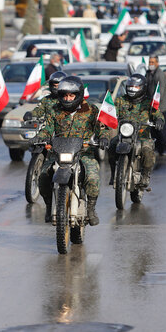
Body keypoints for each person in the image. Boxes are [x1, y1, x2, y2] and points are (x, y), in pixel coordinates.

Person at [35, 76, 109, 225]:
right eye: (65, 95)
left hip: (84, 153)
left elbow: (102, 128)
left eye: (71, 95)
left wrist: (103, 138)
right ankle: (50, 206)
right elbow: (47, 129)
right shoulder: (54, 110)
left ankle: (91, 209)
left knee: (93, 177)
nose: (68, 99)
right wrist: (39, 137)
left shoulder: (91, 110)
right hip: (59, 154)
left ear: (78, 95)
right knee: (43, 175)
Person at [108, 74, 164, 186]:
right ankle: (114, 172)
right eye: (130, 87)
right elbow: (111, 112)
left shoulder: (148, 103)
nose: (132, 89)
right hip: (123, 136)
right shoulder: (120, 100)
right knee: (112, 146)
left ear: (142, 88)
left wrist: (159, 120)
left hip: (142, 137)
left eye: (136, 87)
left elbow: (158, 114)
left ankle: (145, 175)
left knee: (147, 151)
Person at [146, 56, 166, 155]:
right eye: (150, 62)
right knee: (153, 129)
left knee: (161, 129)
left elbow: (160, 91)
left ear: (157, 63)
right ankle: (157, 148)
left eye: (153, 62)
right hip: (151, 106)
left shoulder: (160, 74)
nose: (151, 64)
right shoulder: (148, 73)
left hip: (160, 107)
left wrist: (155, 103)